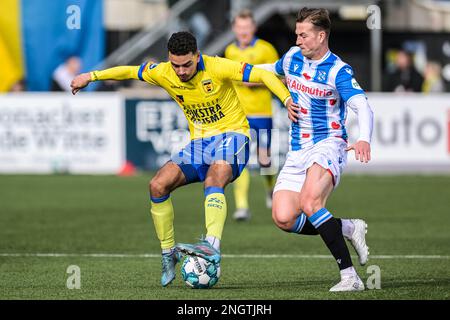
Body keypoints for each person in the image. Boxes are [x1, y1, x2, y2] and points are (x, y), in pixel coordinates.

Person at [70, 31, 294, 287]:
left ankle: (211, 245)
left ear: (197, 56)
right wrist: (91, 76)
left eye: (186, 64)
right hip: (198, 144)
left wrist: (286, 99)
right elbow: (129, 71)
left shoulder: (218, 66)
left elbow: (263, 74)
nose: (181, 71)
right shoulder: (164, 72)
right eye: (175, 65)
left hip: (233, 136)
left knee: (215, 175)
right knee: (157, 185)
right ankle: (168, 254)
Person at [257, 8, 373, 291]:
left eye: (303, 35)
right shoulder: (292, 57)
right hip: (298, 149)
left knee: (310, 203)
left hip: (329, 144)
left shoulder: (338, 70)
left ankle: (350, 277)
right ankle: (346, 227)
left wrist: (364, 138)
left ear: (321, 36)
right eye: (296, 34)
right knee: (283, 217)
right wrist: (228, 70)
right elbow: (267, 72)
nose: (298, 40)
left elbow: (362, 106)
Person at [224, 9, 280, 221]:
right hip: (238, 114)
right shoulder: (230, 51)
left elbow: (279, 77)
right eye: (239, 27)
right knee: (239, 159)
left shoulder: (266, 49)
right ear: (234, 29)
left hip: (262, 112)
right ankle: (242, 207)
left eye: (246, 27)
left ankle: (270, 189)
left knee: (264, 158)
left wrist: (254, 81)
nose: (243, 31)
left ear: (253, 28)